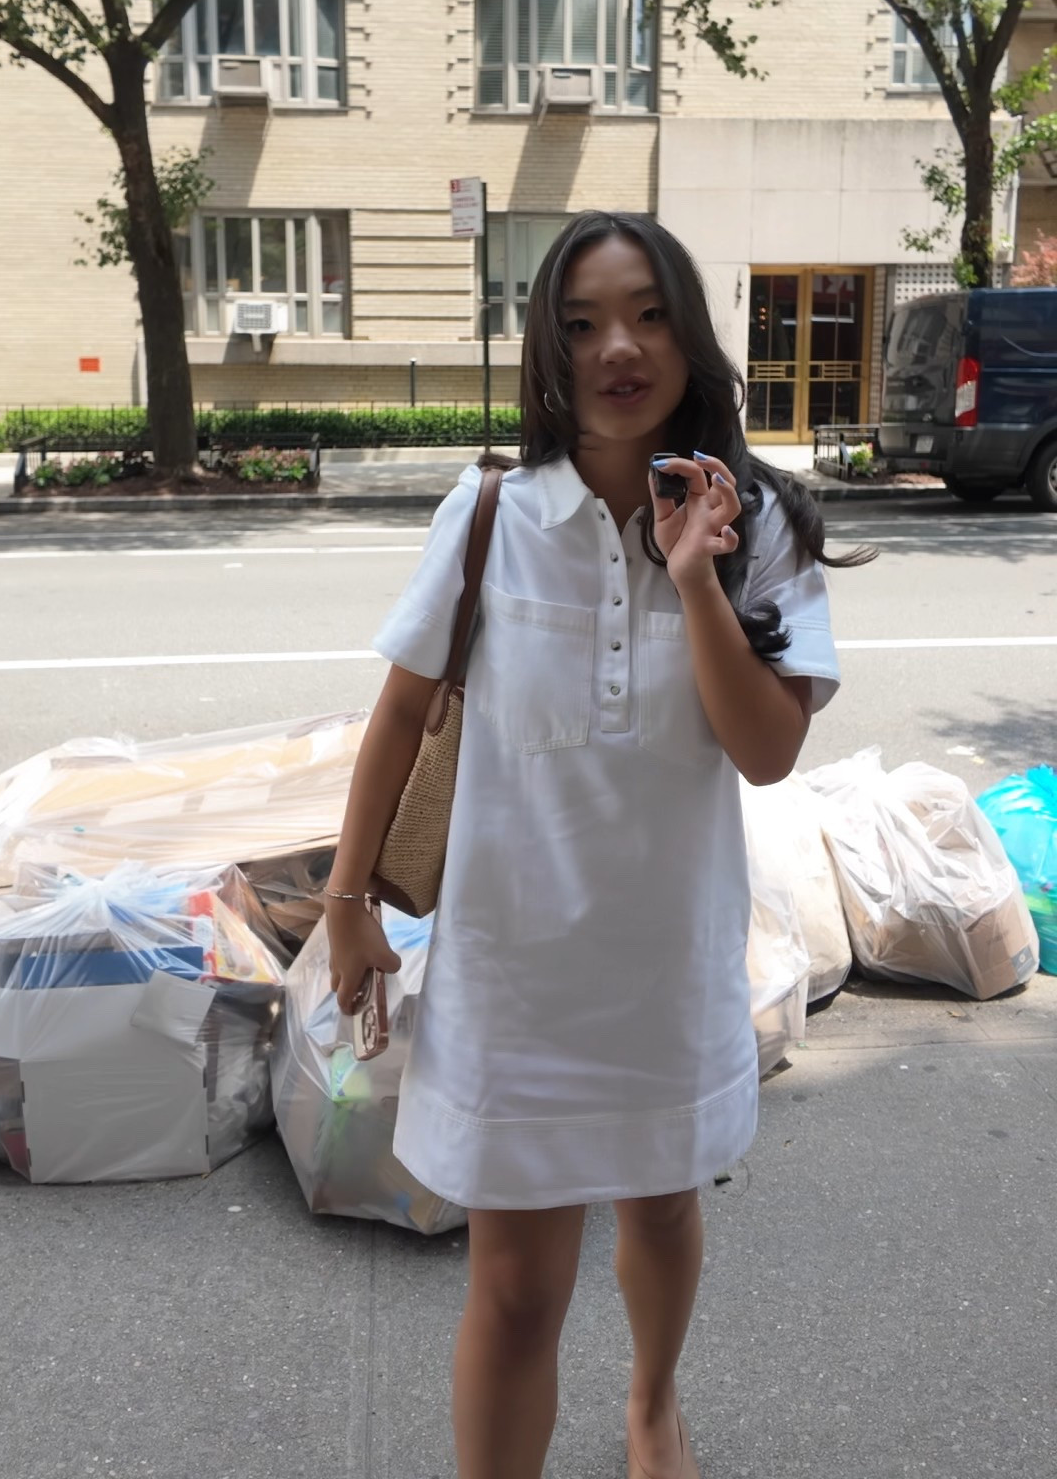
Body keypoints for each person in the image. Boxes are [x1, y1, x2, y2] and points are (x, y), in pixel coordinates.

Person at [326, 212, 867, 1479]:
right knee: (514, 1289)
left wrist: (693, 577)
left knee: (662, 1204)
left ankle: (650, 1408)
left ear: (689, 327)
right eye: (580, 325)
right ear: (545, 351)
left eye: (646, 314)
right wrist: (349, 899)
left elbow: (766, 750)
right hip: (512, 968)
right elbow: (404, 708)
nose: (618, 348)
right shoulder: (490, 510)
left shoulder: (763, 520)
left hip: (664, 958)